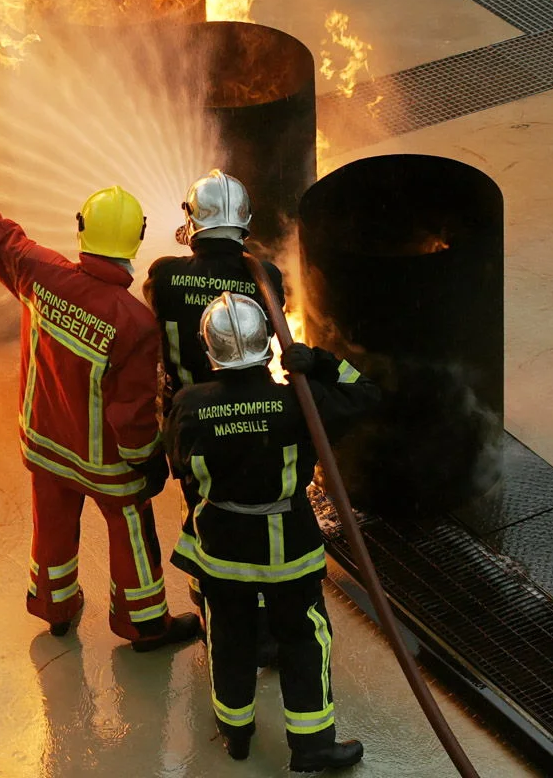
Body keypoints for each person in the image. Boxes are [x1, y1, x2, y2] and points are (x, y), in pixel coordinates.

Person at [0, 145, 201, 651]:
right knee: (131, 530)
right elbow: (131, 414)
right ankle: (144, 625)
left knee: (52, 528)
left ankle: (55, 609)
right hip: (107, 466)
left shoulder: (40, 272)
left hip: (44, 443)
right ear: (135, 239)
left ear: (81, 227)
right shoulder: (133, 322)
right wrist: (149, 462)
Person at [166, 292, 379, 772]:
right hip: (289, 547)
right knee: (305, 638)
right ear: (268, 346)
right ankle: (312, 747)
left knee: (229, 635)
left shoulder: (189, 405)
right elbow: (366, 394)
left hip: (219, 545)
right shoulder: (297, 401)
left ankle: (236, 734)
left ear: (209, 351)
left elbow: (178, 465)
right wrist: (320, 363)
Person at [144, 169, 286, 664]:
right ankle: (267, 620)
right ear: (244, 224)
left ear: (191, 222)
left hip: (191, 422)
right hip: (256, 415)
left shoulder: (164, 275)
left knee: (203, 514)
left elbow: (162, 305)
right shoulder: (264, 276)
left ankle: (213, 604)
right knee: (259, 510)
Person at [143, 169, 285, 416]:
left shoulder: (164, 274)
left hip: (187, 413)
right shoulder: (266, 276)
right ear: (245, 216)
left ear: (191, 217)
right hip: (255, 410)